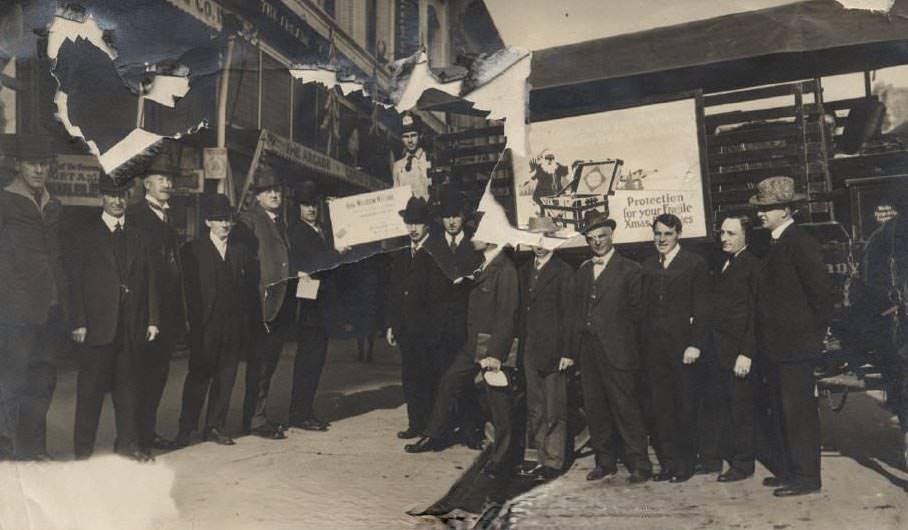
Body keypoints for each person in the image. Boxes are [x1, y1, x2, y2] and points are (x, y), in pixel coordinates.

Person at [406, 240, 519, 479]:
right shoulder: (483, 263)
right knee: (449, 382)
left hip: (491, 346)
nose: (473, 237)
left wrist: (497, 354)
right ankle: (433, 435)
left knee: (499, 402)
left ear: (490, 237)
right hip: (473, 344)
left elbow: (506, 316)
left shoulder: (505, 269)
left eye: (477, 232)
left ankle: (502, 458)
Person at [750, 176, 833, 497]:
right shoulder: (774, 242)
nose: (761, 213)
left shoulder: (800, 242)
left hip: (796, 347)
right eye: (761, 207)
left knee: (798, 413)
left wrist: (814, 336)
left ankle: (807, 477)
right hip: (778, 347)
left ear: (785, 210)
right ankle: (791, 470)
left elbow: (821, 296)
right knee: (784, 410)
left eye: (768, 208)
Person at [69, 174, 158, 461]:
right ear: (102, 198)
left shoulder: (138, 236)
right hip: (97, 327)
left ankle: (127, 447)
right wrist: (79, 321)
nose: (118, 201)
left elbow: (150, 281)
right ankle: (83, 454)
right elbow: (75, 282)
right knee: (90, 394)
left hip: (130, 326)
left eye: (122, 196)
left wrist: (152, 320)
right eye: (111, 195)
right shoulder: (85, 234)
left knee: (128, 391)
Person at [573, 210, 653, 484]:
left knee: (626, 408)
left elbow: (639, 315)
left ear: (612, 235)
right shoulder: (583, 271)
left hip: (619, 352)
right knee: (595, 409)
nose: (597, 242)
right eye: (591, 238)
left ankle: (640, 464)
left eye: (602, 236)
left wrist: (627, 346)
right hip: (589, 352)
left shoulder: (630, 269)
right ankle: (604, 462)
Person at [0, 137, 66, 461]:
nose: (39, 170)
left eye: (44, 164)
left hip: (48, 309)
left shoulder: (54, 204)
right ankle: (7, 453)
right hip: (14, 313)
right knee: (10, 384)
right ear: (18, 166)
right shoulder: (5, 202)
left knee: (42, 383)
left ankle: (35, 450)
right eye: (32, 163)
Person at [175, 194, 253, 447]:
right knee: (198, 378)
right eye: (219, 220)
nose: (225, 224)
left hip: (232, 326)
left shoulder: (239, 251)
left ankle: (215, 427)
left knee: (226, 377)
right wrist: (188, 325)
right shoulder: (192, 251)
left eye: (228, 219)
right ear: (208, 222)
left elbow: (246, 289)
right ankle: (186, 429)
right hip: (204, 326)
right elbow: (185, 292)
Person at [640, 213, 710, 483]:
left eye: (668, 234)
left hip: (684, 351)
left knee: (685, 406)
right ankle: (668, 463)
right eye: (657, 233)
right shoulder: (647, 266)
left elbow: (703, 309)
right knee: (661, 409)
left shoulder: (694, 264)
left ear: (678, 234)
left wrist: (695, 344)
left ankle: (685, 464)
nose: (662, 239)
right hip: (654, 352)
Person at [127, 170, 184, 452]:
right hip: (145, 309)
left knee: (158, 376)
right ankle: (133, 440)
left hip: (168, 309)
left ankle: (147, 434)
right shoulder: (136, 216)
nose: (168, 183)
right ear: (147, 183)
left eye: (169, 179)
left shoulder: (170, 215)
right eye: (161, 178)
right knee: (140, 376)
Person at [702, 215, 762, 482]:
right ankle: (719, 457)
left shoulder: (752, 266)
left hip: (738, 353)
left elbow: (756, 314)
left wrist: (747, 352)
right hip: (720, 350)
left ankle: (743, 464)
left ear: (745, 236)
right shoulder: (726, 262)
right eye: (722, 232)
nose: (724, 238)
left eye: (731, 233)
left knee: (741, 410)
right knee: (722, 407)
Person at [423, 190, 484, 447]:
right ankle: (442, 430)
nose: (451, 222)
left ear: (463, 218)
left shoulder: (475, 243)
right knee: (440, 378)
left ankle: (470, 431)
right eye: (447, 217)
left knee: (466, 381)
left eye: (456, 217)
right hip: (438, 326)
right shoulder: (433, 245)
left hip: (466, 325)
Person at [516, 230, 574, 480]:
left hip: (554, 349)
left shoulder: (563, 272)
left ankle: (553, 460)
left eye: (544, 239)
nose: (539, 245)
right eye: (533, 239)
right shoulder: (524, 270)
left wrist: (567, 351)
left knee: (554, 407)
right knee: (536, 406)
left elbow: (570, 315)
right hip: (530, 347)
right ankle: (539, 457)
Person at [236, 166, 290, 440]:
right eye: (267, 190)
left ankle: (257, 414)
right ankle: (254, 419)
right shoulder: (249, 220)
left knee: (268, 365)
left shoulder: (280, 222)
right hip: (260, 306)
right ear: (256, 196)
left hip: (278, 306)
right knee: (259, 366)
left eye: (277, 190)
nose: (273, 194)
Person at [287, 180, 340, 432]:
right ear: (298, 207)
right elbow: (315, 262)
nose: (311, 209)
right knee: (308, 361)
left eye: (313, 205)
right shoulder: (298, 232)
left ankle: (304, 410)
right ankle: (300, 413)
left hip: (320, 305)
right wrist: (336, 253)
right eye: (306, 205)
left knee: (315, 360)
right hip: (309, 308)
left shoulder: (319, 229)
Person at [387, 197, 439, 439]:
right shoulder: (401, 252)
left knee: (430, 377)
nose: (413, 228)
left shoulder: (436, 251)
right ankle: (415, 423)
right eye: (409, 223)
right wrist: (392, 324)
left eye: (417, 223)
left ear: (427, 224)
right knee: (410, 378)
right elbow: (394, 291)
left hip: (429, 330)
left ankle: (431, 427)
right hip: (406, 329)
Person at [393, 113, 430, 200]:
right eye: (405, 136)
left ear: (420, 136)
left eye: (413, 135)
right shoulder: (398, 166)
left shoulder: (429, 159)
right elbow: (396, 194)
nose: (409, 140)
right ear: (401, 139)